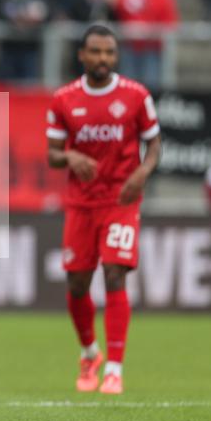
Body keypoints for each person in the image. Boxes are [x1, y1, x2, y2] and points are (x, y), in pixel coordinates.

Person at [46, 24, 162, 395]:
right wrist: (70, 156)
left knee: (115, 275)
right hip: (81, 204)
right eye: (95, 52)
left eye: (109, 53)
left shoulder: (136, 96)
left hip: (121, 201)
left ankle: (114, 368)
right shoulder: (64, 99)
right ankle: (89, 353)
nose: (103, 59)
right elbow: (52, 154)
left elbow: (154, 145)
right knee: (77, 284)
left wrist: (141, 174)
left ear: (116, 55)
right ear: (82, 55)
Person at [113, 0, 178, 91]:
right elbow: (118, 12)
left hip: (152, 48)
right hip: (129, 46)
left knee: (151, 86)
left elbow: (169, 20)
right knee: (127, 86)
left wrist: (150, 31)